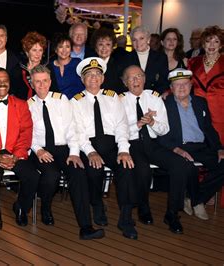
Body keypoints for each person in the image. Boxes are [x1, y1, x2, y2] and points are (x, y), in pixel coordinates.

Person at [28, 65, 104, 239]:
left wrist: (74, 152)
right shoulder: (29, 105)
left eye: (45, 81)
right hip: (41, 150)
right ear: (32, 84)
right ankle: (45, 206)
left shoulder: (61, 99)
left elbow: (72, 128)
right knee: (51, 175)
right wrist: (38, 150)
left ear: (50, 81)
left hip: (65, 148)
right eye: (37, 82)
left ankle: (86, 227)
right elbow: (27, 134)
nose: (42, 85)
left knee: (78, 173)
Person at [120, 65, 196, 235]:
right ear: (125, 83)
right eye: (131, 78)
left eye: (139, 76)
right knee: (143, 170)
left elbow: (165, 129)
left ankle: (172, 213)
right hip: (132, 144)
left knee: (180, 164)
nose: (136, 80)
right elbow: (119, 131)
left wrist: (152, 123)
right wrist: (139, 124)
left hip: (153, 143)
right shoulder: (119, 101)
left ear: (144, 79)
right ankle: (143, 207)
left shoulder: (154, 98)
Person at [70, 57, 136, 239]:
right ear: (82, 80)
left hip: (112, 145)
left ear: (103, 78)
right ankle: (97, 205)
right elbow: (78, 131)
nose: (93, 78)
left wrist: (123, 149)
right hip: (89, 145)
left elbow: (122, 125)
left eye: (97, 74)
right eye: (89, 75)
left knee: (127, 168)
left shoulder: (113, 97)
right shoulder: (75, 101)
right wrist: (91, 152)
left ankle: (126, 219)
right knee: (93, 169)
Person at [0, 68, 40, 230]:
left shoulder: (21, 105)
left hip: (14, 152)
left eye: (5, 80)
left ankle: (21, 208)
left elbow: (26, 133)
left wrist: (16, 156)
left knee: (32, 176)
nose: (2, 83)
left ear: (10, 84)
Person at [159, 68, 224, 220]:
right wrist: (176, 150)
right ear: (171, 88)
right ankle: (197, 201)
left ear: (191, 85)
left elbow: (208, 128)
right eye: (177, 84)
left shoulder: (200, 103)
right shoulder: (164, 104)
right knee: (188, 166)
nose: (181, 88)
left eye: (185, 84)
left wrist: (219, 148)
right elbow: (159, 133)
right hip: (179, 147)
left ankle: (194, 198)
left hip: (201, 147)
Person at [188, 25, 224, 144]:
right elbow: (184, 84)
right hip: (199, 112)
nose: (212, 45)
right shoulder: (193, 62)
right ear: (203, 44)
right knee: (202, 147)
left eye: (216, 41)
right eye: (208, 41)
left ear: (221, 45)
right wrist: (167, 92)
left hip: (220, 113)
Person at [123, 26, 169, 94]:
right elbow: (123, 81)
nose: (138, 42)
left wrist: (153, 96)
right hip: (132, 97)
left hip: (154, 97)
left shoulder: (161, 57)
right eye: (134, 40)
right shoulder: (125, 58)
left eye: (141, 38)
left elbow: (164, 81)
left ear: (148, 40)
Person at [11, 31, 53, 100]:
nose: (38, 54)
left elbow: (53, 90)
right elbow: (13, 92)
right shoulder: (18, 69)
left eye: (40, 50)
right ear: (27, 52)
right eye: (34, 50)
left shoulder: (48, 67)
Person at [47, 33, 84, 99]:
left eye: (67, 47)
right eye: (61, 47)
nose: (64, 50)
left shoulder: (78, 63)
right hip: (57, 104)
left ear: (71, 49)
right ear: (55, 49)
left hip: (78, 103)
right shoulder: (49, 67)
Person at [90, 27, 125, 93]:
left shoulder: (120, 66)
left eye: (108, 44)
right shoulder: (89, 64)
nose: (104, 48)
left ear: (112, 47)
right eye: (100, 44)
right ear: (95, 47)